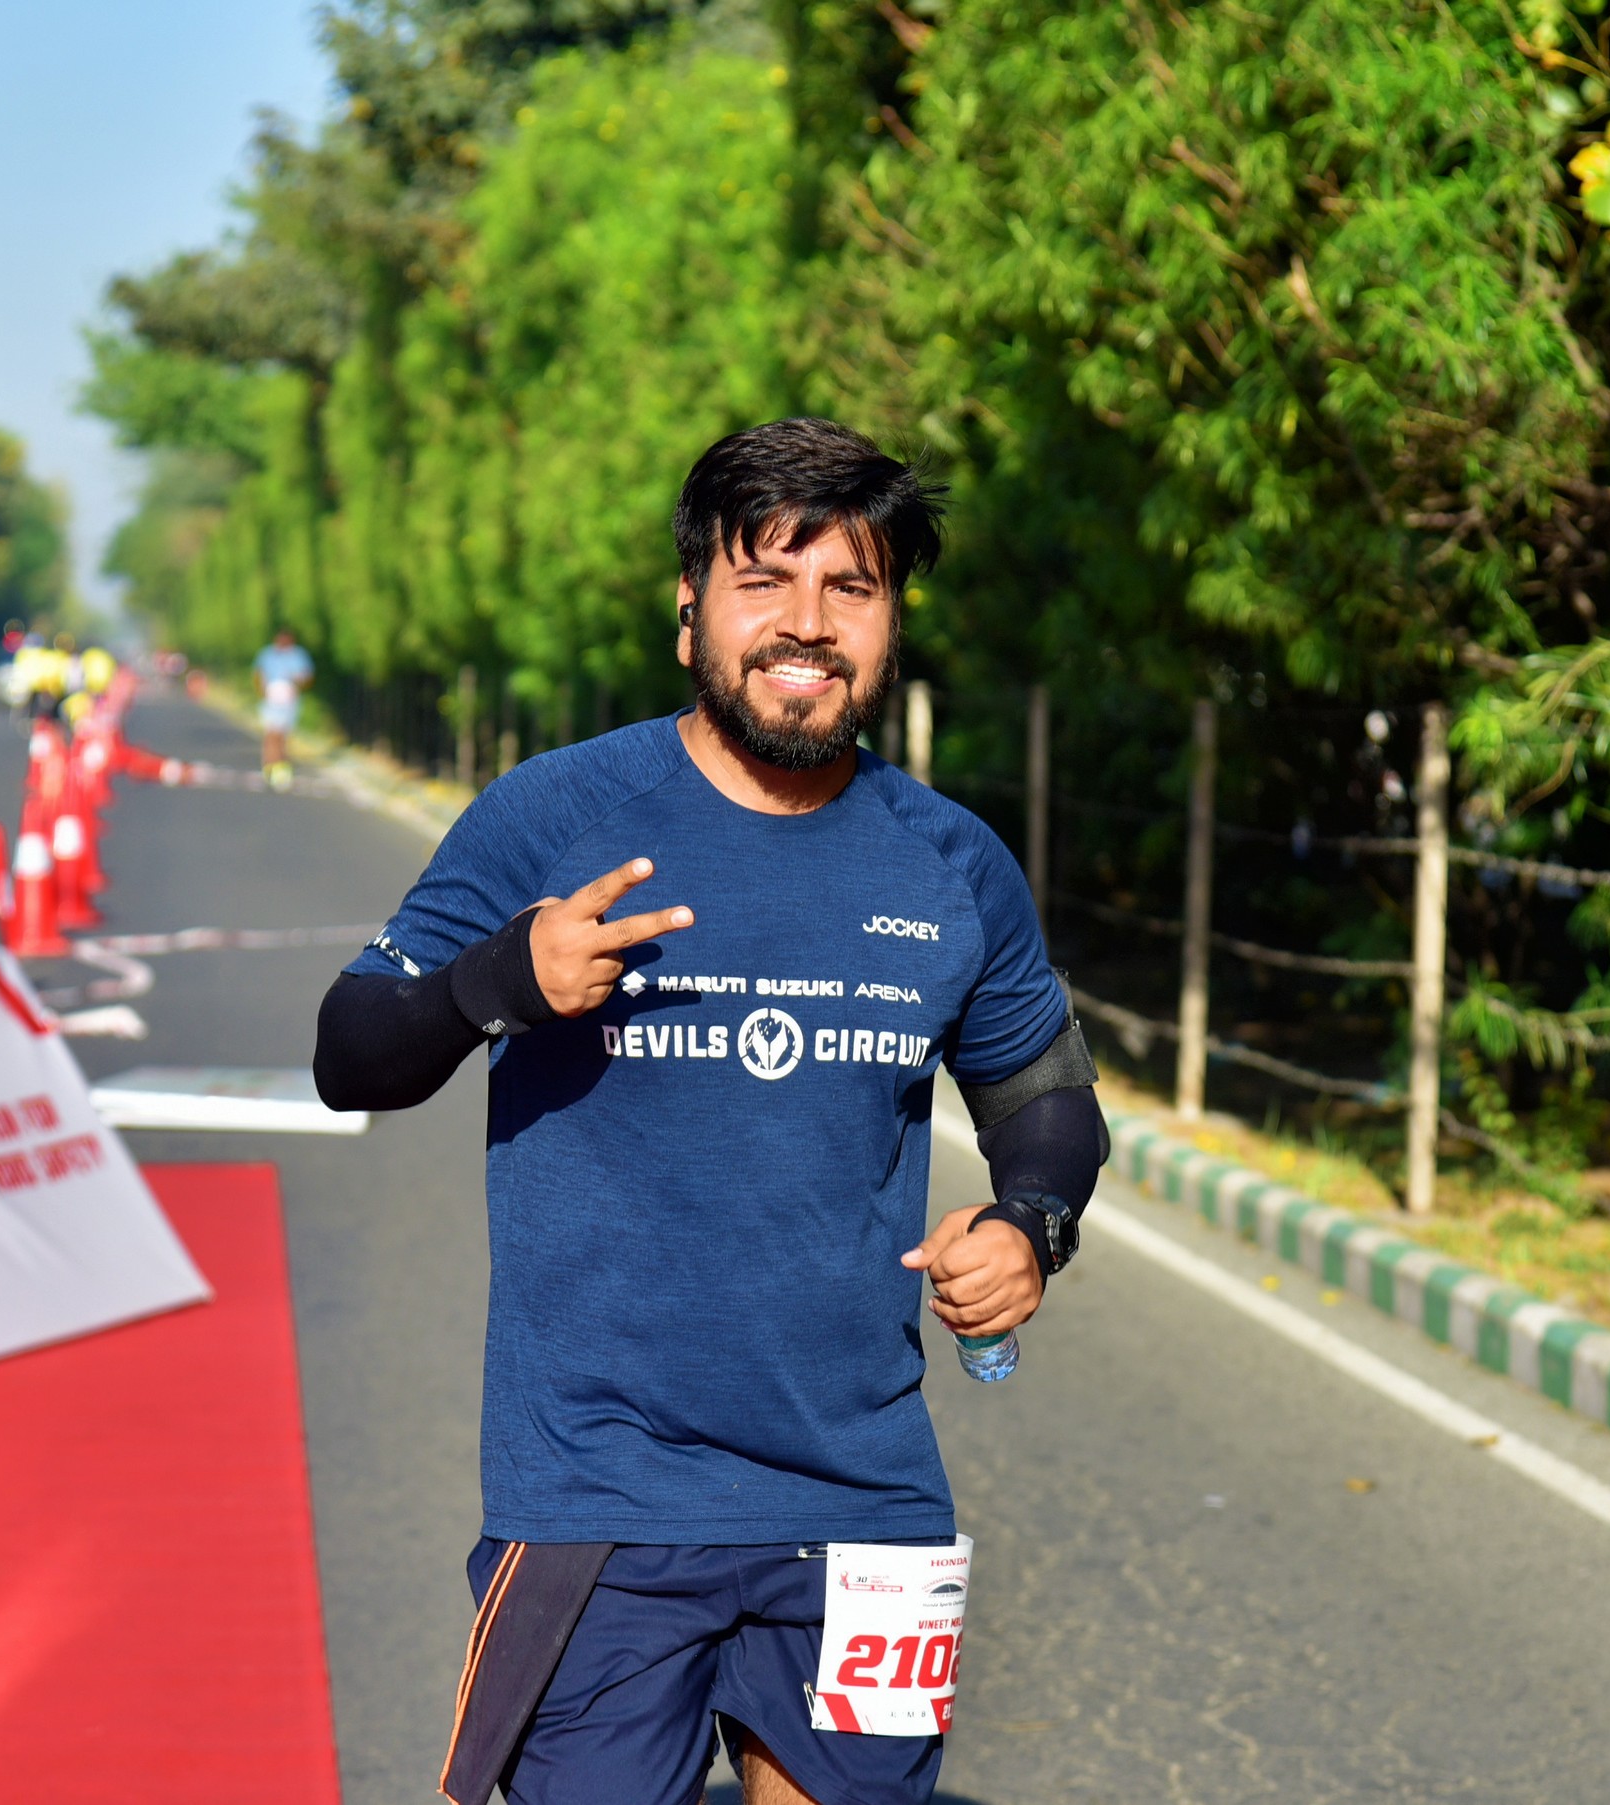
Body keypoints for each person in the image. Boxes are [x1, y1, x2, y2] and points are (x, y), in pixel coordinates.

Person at [313, 419, 1106, 1805]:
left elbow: (1044, 1094)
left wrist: (1028, 1223)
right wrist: (502, 980)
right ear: (688, 612)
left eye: (849, 588)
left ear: (891, 623)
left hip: (866, 1503)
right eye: (763, 582)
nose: (807, 625)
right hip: (599, 1502)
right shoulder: (555, 815)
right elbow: (351, 1049)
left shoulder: (949, 861)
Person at [253, 628, 313, 789]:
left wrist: (299, 682)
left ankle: (282, 766)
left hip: (289, 701)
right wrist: (262, 691)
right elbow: (258, 673)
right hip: (271, 699)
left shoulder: (298, 655)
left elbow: (307, 676)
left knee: (283, 735)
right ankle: (269, 765)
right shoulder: (267, 654)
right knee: (271, 734)